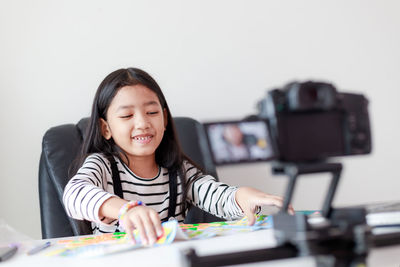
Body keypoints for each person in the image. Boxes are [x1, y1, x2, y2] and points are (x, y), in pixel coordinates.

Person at [63, 67, 293, 246]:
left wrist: (242, 195)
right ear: (105, 128)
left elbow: (215, 195)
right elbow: (75, 194)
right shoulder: (101, 166)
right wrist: (126, 210)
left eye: (152, 112)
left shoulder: (178, 171)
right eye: (127, 116)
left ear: (164, 118)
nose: (142, 123)